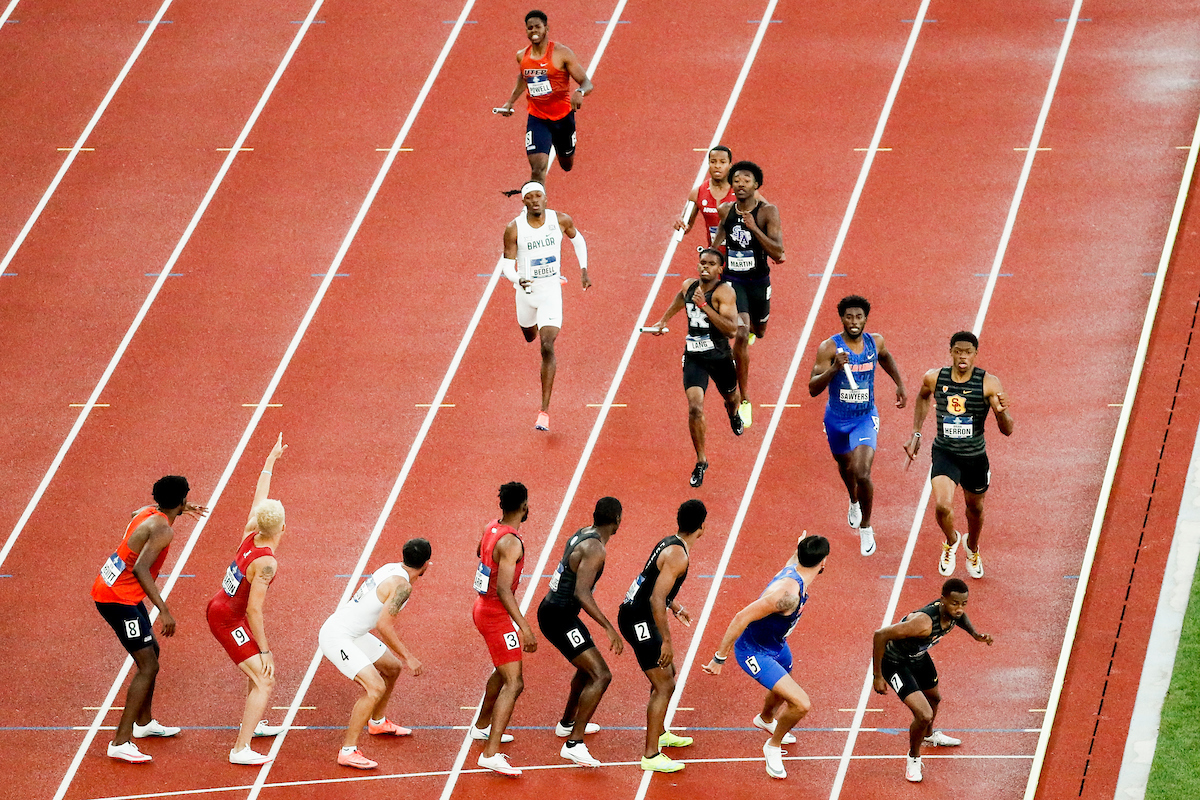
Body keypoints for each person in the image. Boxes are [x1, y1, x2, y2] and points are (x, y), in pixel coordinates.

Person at [91, 475, 206, 763]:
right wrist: (163, 610)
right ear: (181, 500)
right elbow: (141, 568)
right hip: (117, 599)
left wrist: (179, 507)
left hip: (118, 591)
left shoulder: (147, 513)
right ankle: (120, 741)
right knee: (148, 665)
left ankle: (143, 724)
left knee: (151, 651)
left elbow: (136, 513)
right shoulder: (163, 530)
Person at [703, 535, 830, 779]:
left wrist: (800, 544)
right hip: (754, 651)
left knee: (784, 685)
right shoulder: (788, 594)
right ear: (823, 562)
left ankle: (765, 719)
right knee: (801, 704)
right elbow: (741, 617)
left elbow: (794, 558)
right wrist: (719, 658)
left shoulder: (795, 569)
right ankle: (773, 746)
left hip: (777, 645)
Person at [206, 434, 289, 765]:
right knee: (265, 678)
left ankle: (254, 724)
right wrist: (265, 650)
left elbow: (260, 498)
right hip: (227, 618)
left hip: (225, 608)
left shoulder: (251, 531)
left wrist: (270, 461)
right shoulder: (266, 562)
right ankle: (240, 749)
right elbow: (254, 610)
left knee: (255, 674)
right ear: (282, 528)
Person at [903, 331, 1014, 578]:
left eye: (968, 352)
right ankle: (951, 540)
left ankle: (972, 547)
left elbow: (1007, 430)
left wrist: (1001, 413)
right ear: (951, 352)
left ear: (975, 354)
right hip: (946, 453)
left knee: (975, 508)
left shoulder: (988, 383)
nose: (963, 356)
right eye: (958, 351)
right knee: (943, 506)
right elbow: (922, 397)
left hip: (975, 457)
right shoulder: (934, 378)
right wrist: (916, 433)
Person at [318, 538, 432, 769]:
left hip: (353, 633)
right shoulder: (402, 587)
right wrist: (409, 656)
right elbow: (384, 626)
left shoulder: (391, 568)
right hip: (337, 636)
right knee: (375, 687)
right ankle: (347, 751)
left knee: (392, 668)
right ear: (426, 564)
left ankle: (377, 722)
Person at [808, 296, 906, 557]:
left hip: (865, 417)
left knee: (862, 472)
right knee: (846, 468)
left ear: (865, 319)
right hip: (837, 420)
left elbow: (885, 357)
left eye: (859, 317)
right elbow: (812, 388)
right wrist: (834, 369)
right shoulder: (829, 347)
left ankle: (866, 526)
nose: (854, 322)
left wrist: (899, 384)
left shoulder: (875, 342)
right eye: (849, 317)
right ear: (842, 318)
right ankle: (853, 501)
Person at [872, 578, 994, 782]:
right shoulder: (923, 624)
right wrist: (877, 676)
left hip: (918, 657)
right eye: (954, 604)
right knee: (924, 714)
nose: (959, 609)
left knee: (934, 698)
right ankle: (913, 758)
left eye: (964, 603)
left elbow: (959, 617)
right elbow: (880, 635)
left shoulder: (953, 612)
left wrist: (974, 634)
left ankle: (928, 735)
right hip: (895, 662)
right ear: (942, 600)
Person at [618, 499, 706, 773]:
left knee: (668, 673)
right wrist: (667, 641)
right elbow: (656, 599)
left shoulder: (670, 542)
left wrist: (675, 606)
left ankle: (660, 732)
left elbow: (652, 585)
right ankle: (651, 755)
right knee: (665, 684)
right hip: (637, 619)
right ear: (702, 527)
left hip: (637, 614)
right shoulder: (678, 555)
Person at [536, 497, 624, 767]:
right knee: (602, 675)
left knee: (587, 669)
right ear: (617, 521)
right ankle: (574, 744)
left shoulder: (583, 532)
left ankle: (567, 723)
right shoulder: (595, 548)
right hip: (559, 617)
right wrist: (609, 627)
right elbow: (581, 593)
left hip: (557, 612)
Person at [647, 248, 744, 488]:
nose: (705, 267)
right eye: (702, 262)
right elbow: (681, 298)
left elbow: (731, 330)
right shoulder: (689, 286)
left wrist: (704, 306)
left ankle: (733, 413)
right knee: (695, 408)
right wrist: (664, 319)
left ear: (720, 268)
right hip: (694, 357)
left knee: (732, 397)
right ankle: (701, 460)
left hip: (719, 356)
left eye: (711, 264)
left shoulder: (724, 293)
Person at [502, 181, 591, 432]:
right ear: (523, 202)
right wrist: (517, 278)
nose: (534, 201)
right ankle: (531, 325)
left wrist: (584, 270)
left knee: (547, 345)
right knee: (529, 336)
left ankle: (544, 411)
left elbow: (578, 240)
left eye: (538, 196)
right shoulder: (514, 228)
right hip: (526, 293)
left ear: (545, 198)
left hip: (551, 291)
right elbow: (507, 265)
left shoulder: (560, 220)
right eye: (529, 197)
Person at [712, 161, 785, 429]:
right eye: (737, 180)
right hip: (733, 281)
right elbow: (719, 239)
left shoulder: (768, 212)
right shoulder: (725, 210)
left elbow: (779, 253)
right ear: (731, 186)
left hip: (758, 281)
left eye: (746, 180)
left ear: (757, 185)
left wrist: (754, 228)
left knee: (759, 330)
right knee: (741, 334)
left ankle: (754, 329)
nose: (741, 184)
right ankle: (744, 398)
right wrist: (710, 258)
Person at [470, 482, 537, 776]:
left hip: (482, 607)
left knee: (503, 670)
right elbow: (504, 590)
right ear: (523, 506)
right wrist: (525, 628)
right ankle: (490, 754)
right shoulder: (511, 543)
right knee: (515, 682)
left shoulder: (491, 528)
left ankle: (482, 726)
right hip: (495, 615)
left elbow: (480, 552)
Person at [495, 9, 593, 184]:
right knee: (538, 168)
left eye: (537, 27)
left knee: (566, 164)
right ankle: (538, 203)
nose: (534, 31)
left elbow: (586, 83)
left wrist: (580, 92)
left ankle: (560, 145)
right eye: (530, 28)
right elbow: (523, 77)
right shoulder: (522, 56)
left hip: (563, 117)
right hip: (538, 118)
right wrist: (510, 102)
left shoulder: (562, 53)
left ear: (546, 28)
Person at [673, 146, 734, 246]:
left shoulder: (741, 191)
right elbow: (686, 225)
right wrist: (681, 225)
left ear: (730, 165)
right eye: (713, 162)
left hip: (742, 253)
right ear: (709, 164)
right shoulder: (697, 193)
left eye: (722, 162)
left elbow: (763, 214)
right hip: (715, 252)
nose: (717, 166)